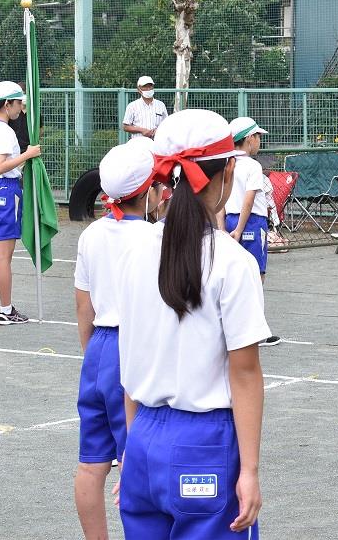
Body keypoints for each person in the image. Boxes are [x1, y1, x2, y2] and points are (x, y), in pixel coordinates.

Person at [116, 108, 271, 538]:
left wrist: (133, 447)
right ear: (228, 171)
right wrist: (250, 469)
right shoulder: (231, 261)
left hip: (144, 433)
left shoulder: (135, 254)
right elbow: (244, 372)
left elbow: (129, 359)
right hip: (204, 444)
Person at [73, 139, 160, 539]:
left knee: (92, 462)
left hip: (100, 350)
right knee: (135, 459)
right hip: (137, 348)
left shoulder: (92, 234)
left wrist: (93, 359)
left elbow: (83, 307)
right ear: (148, 192)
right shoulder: (154, 238)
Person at [224, 117, 281, 346]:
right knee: (257, 275)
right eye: (258, 137)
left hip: (228, 220)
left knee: (231, 275)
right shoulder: (252, 166)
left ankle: (233, 326)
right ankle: (256, 331)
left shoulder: (226, 163)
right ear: (249, 139)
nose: (259, 142)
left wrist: (224, 228)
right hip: (251, 224)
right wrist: (240, 229)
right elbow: (249, 199)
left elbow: (222, 197)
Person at [0, 81, 40, 326]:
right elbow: (1, 166)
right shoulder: (4, 130)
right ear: (7, 104)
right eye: (17, 103)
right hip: (5, 191)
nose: (19, 108)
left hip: (3, 189)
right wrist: (28, 154)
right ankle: (5, 309)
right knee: (4, 256)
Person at [122, 75, 168, 141]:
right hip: (138, 143)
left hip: (157, 143)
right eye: (145, 86)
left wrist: (157, 131)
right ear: (138, 89)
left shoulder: (161, 105)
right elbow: (125, 127)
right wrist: (141, 130)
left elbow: (166, 124)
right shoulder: (132, 106)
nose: (148, 89)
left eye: (150, 86)